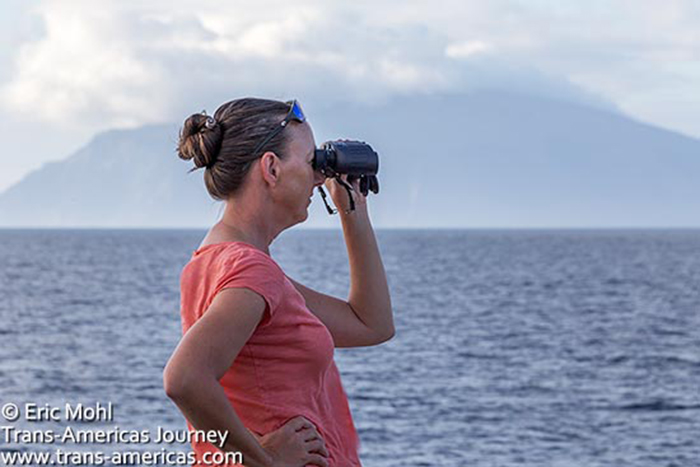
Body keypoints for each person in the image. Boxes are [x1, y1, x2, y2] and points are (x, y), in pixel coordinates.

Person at [163, 97, 394, 467]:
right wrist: (265, 461)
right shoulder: (252, 272)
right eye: (310, 162)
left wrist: (353, 210)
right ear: (271, 169)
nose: (320, 176)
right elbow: (184, 378)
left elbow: (372, 324)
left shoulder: (224, 262)